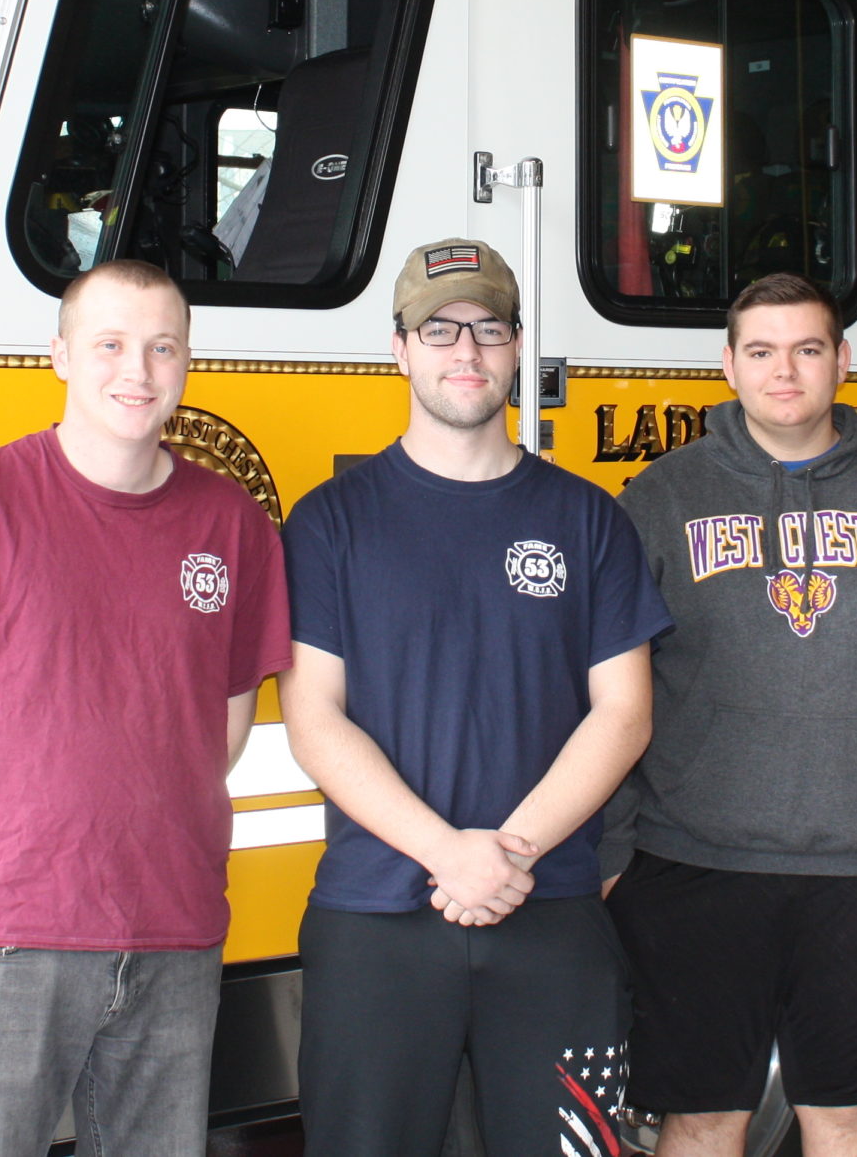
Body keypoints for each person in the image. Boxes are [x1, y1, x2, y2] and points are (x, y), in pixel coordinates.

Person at [0, 259, 291, 1157]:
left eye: (162, 347)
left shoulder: (232, 526)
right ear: (59, 355)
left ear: (186, 361)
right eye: (110, 344)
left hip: (174, 928)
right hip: (4, 937)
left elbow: (223, 725)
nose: (137, 370)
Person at [604, 272, 857, 1157]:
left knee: (846, 1114)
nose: (783, 371)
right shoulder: (658, 502)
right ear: (728, 365)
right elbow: (605, 689)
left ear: (842, 361)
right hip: (692, 865)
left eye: (806, 349)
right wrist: (612, 856)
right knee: (700, 1118)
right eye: (761, 351)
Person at [279, 237, 671, 1157]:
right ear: (399, 349)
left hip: (552, 907)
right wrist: (447, 854)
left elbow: (625, 713)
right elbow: (314, 718)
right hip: (376, 914)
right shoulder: (329, 521)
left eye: (489, 329)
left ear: (518, 344)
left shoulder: (589, 519)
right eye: (439, 329)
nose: (466, 350)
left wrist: (508, 855)